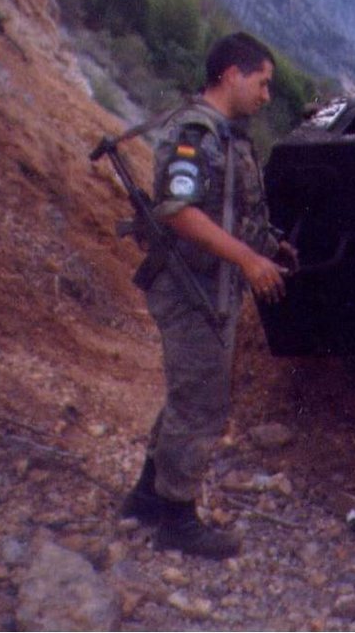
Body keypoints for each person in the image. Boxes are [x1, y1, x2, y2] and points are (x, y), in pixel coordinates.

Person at [120, 32, 298, 559]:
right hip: (189, 289)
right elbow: (179, 211)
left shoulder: (228, 135)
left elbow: (231, 211)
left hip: (211, 287)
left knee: (188, 397)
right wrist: (248, 260)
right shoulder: (195, 131)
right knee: (200, 404)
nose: (267, 96)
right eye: (262, 83)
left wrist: (270, 246)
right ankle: (176, 518)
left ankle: (146, 499)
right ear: (231, 75)